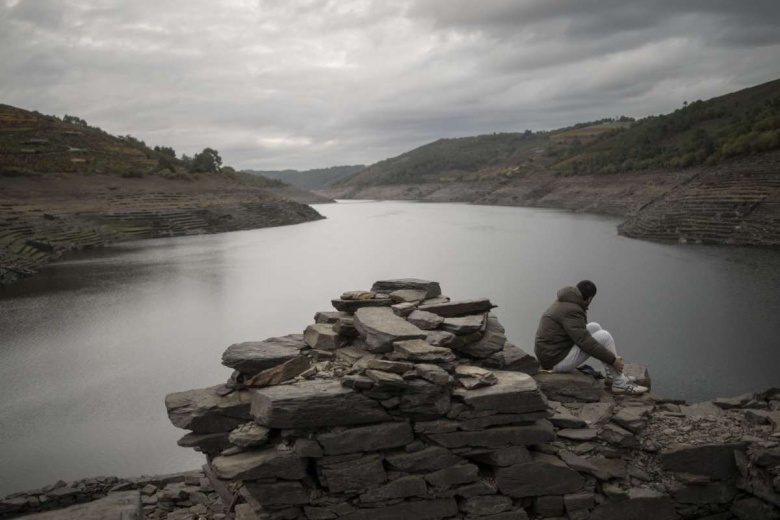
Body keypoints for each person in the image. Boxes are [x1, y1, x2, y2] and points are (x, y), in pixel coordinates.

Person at [534, 280, 648, 394]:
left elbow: (579, 334)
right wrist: (613, 360)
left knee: (595, 327)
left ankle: (612, 375)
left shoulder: (566, 301)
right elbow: (584, 341)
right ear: (589, 299)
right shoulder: (573, 310)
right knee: (605, 336)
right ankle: (619, 383)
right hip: (555, 361)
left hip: (552, 353)